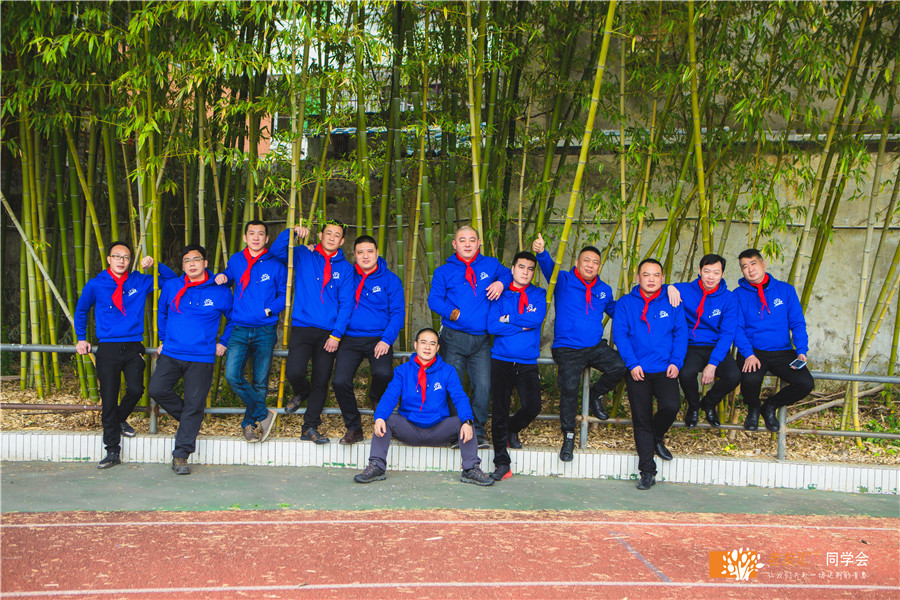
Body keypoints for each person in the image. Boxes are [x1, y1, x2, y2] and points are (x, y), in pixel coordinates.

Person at [74, 241, 177, 469]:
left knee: (136, 389)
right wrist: (81, 338)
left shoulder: (139, 280)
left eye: (126, 257)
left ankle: (119, 418)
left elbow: (172, 282)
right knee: (109, 398)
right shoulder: (96, 284)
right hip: (108, 347)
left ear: (130, 261)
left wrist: (155, 265)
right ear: (108, 259)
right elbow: (81, 310)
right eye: (117, 256)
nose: (121, 261)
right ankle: (112, 450)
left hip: (132, 346)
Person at [353, 328, 494, 486]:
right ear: (415, 345)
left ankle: (471, 469)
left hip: (439, 429)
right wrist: (379, 417)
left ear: (437, 348)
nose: (427, 347)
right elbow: (390, 396)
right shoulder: (402, 371)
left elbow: (459, 397)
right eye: (423, 342)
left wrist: (467, 420)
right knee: (386, 419)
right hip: (409, 428)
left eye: (432, 344)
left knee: (465, 421)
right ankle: (376, 466)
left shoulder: (448, 371)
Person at [532, 233, 627, 462]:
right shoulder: (563, 280)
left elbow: (618, 311)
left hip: (594, 346)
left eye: (595, 262)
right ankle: (568, 435)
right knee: (569, 389)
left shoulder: (604, 289)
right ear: (577, 262)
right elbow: (548, 267)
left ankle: (595, 394)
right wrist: (541, 252)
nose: (591, 265)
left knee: (620, 366)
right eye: (587, 261)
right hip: (567, 347)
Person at [149, 244, 233, 475]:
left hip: (202, 357)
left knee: (194, 404)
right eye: (187, 261)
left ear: (205, 263)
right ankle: (191, 419)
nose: (191, 264)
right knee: (157, 389)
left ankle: (181, 455)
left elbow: (233, 319)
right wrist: (163, 338)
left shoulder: (221, 290)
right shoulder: (172, 286)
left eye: (196, 260)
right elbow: (162, 312)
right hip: (172, 352)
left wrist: (223, 342)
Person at [270, 220, 354, 444]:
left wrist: (336, 334)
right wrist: (292, 233)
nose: (332, 238)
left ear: (342, 241)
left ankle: (309, 426)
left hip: (329, 332)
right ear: (320, 235)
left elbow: (347, 304)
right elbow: (276, 251)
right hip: (302, 325)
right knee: (294, 372)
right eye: (328, 233)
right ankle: (301, 391)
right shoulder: (303, 254)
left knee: (321, 379)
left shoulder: (346, 268)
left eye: (337, 235)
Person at [427, 226, 509, 447]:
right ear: (455, 244)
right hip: (453, 337)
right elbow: (434, 300)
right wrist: (452, 312)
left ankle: (478, 431)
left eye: (472, 240)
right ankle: (457, 431)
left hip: (481, 340)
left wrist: (500, 283)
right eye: (462, 240)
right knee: (454, 385)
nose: (467, 244)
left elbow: (508, 274)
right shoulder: (444, 271)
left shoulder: (490, 264)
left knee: (482, 385)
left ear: (479, 242)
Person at [613, 258, 687, 490]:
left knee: (671, 407)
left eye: (656, 275)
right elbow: (620, 335)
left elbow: (681, 333)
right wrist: (632, 363)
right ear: (638, 278)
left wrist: (676, 361)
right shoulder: (625, 303)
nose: (651, 279)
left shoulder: (672, 300)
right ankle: (647, 471)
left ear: (663, 278)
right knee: (641, 419)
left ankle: (655, 437)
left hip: (665, 368)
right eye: (646, 275)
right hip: (638, 370)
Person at [215, 220, 286, 444]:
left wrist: (269, 310)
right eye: (252, 233)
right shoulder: (236, 260)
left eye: (261, 234)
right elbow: (228, 276)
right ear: (245, 237)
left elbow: (284, 294)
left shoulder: (276, 263)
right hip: (239, 328)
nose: (256, 237)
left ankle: (249, 424)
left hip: (265, 329)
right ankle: (264, 413)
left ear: (267, 238)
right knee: (232, 375)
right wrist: (223, 276)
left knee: (260, 381)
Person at [331, 235, 405, 445]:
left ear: (377, 253)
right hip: (350, 337)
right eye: (360, 252)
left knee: (384, 373)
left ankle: (375, 396)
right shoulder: (347, 275)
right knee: (339, 382)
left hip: (378, 338)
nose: (365, 256)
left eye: (370, 251)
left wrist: (386, 339)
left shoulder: (390, 279)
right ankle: (354, 428)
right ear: (354, 255)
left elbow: (398, 313)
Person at [733, 249, 814, 432]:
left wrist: (801, 350)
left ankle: (770, 406)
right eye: (744, 267)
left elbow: (797, 323)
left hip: (782, 350)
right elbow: (737, 328)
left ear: (763, 264)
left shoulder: (785, 290)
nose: (750, 269)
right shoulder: (737, 295)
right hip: (753, 350)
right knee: (750, 380)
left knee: (805, 383)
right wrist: (748, 354)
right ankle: (753, 408)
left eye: (753, 264)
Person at [486, 251, 547, 481]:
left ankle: (512, 427)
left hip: (527, 361)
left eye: (530, 269)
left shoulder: (538, 294)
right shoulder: (499, 294)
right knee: (499, 410)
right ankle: (502, 462)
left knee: (533, 406)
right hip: (501, 360)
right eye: (521, 267)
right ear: (512, 269)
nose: (525, 272)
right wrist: (520, 325)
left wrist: (509, 319)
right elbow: (492, 326)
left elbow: (536, 320)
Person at [667, 254, 740, 428]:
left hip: (716, 345)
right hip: (691, 345)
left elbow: (728, 333)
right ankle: (693, 406)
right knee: (686, 374)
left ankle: (709, 403)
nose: (711, 277)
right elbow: (655, 287)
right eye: (707, 271)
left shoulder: (729, 298)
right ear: (699, 271)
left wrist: (713, 364)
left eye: (716, 272)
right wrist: (669, 287)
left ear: (722, 274)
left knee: (734, 376)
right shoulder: (684, 289)